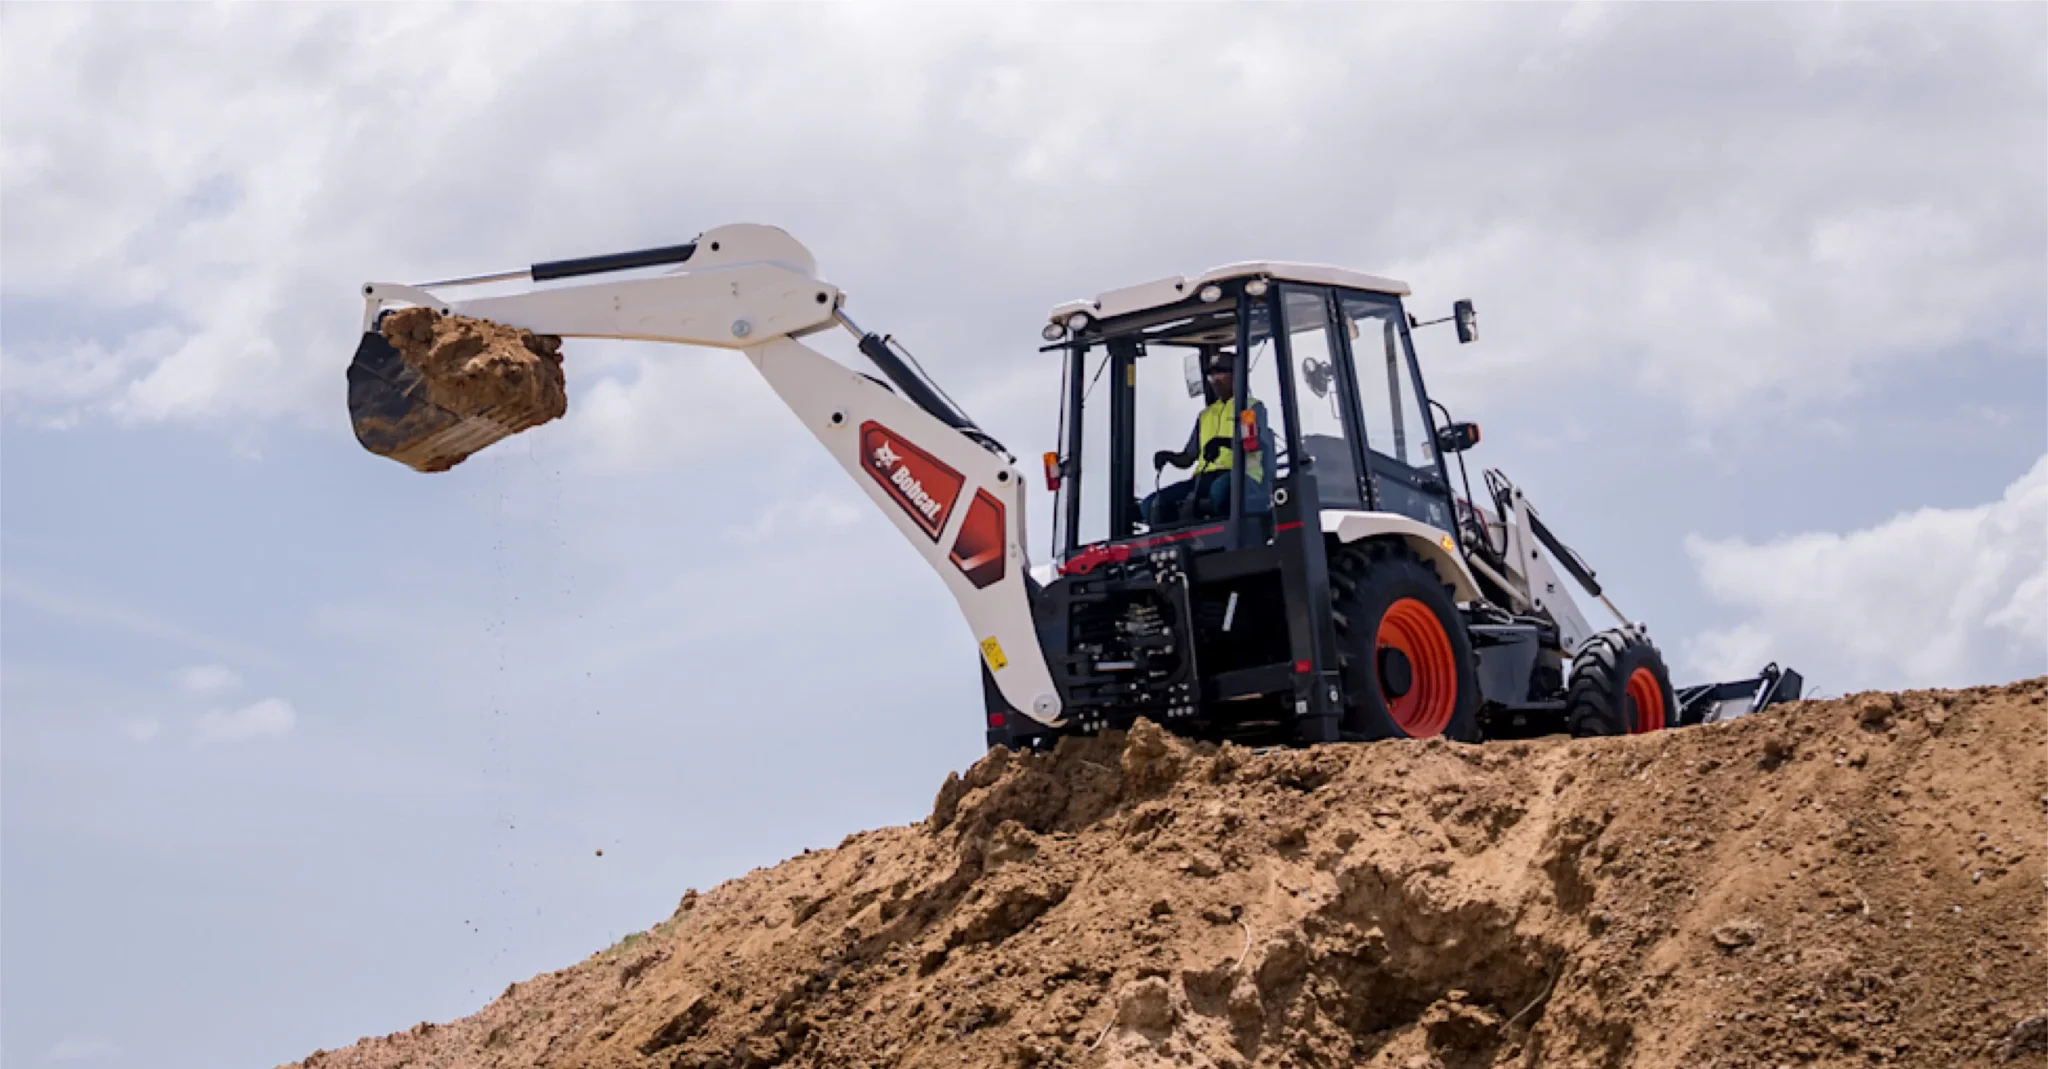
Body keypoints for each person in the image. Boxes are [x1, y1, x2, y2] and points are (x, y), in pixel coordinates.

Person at [1142, 350, 1267, 526]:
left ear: (1237, 375)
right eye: (1211, 376)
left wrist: (1223, 443)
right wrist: (1169, 456)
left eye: (1221, 374)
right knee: (1151, 505)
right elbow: (1188, 457)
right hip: (1204, 478)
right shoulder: (1205, 415)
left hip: (1240, 474)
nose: (1215, 381)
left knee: (1219, 492)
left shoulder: (1249, 409)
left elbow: (1251, 443)